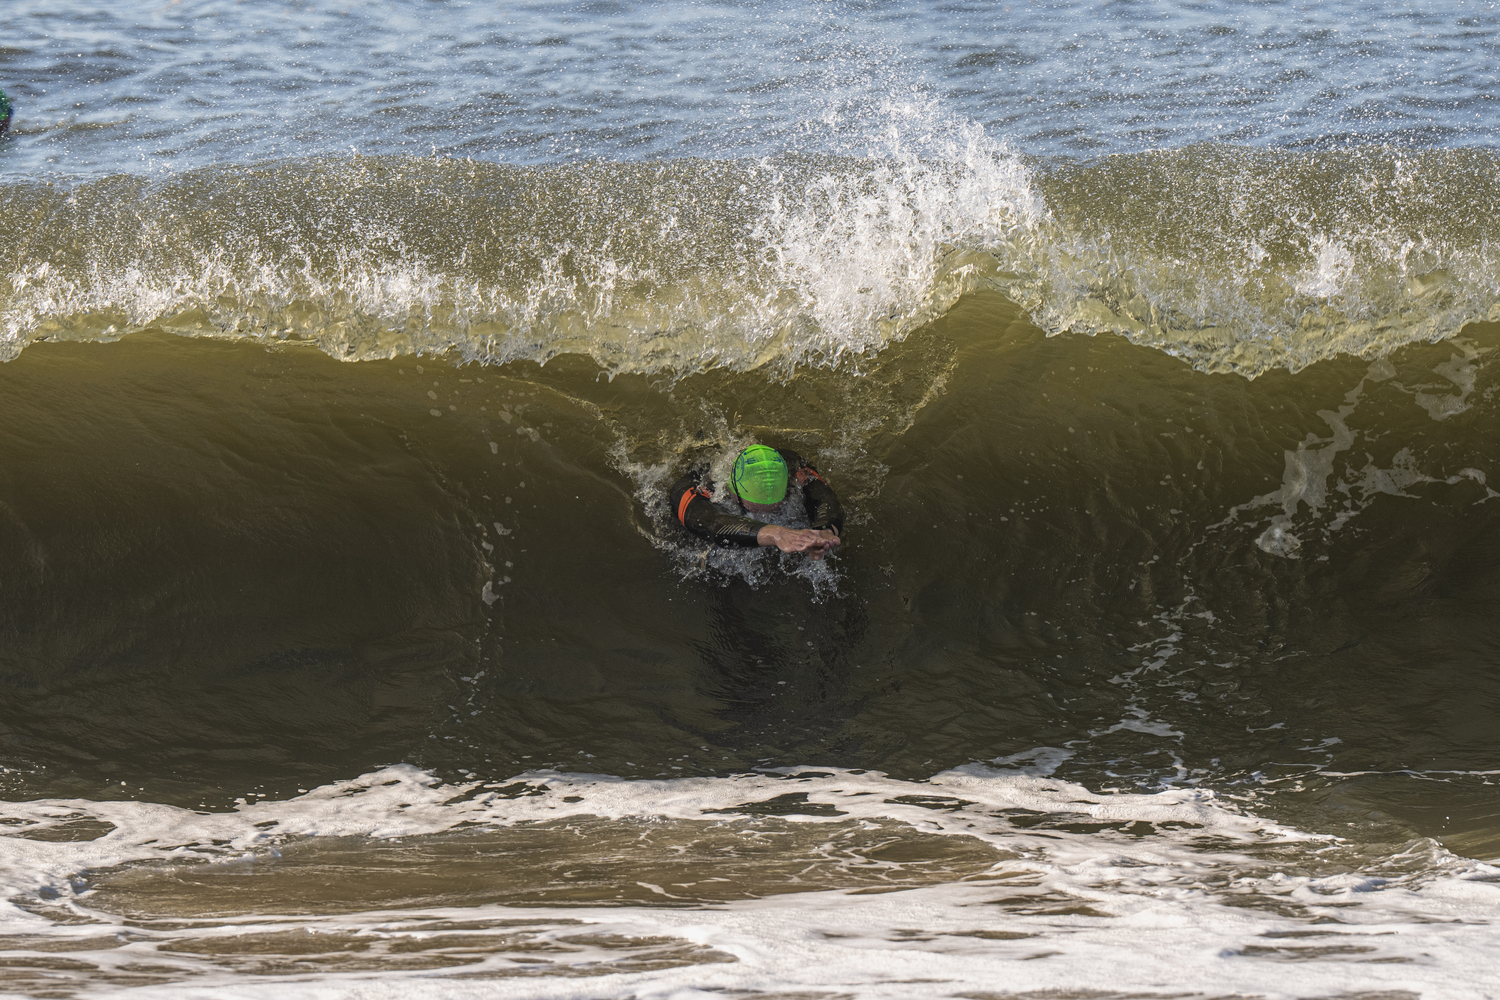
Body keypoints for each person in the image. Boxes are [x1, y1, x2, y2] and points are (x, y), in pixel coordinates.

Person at [668, 444, 843, 559]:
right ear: (733, 491)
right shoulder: (694, 488)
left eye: (777, 507)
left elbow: (825, 499)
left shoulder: (794, 469)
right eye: (755, 510)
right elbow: (715, 524)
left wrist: (824, 530)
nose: (766, 516)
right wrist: (776, 534)